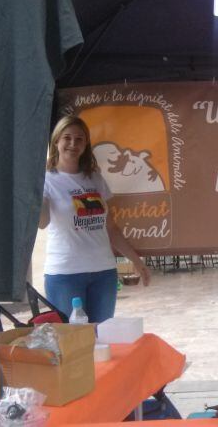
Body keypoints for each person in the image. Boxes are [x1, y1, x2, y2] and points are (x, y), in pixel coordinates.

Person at [39, 116, 151, 323]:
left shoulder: (95, 179)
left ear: (85, 144)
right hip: (65, 274)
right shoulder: (45, 180)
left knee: (102, 338)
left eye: (79, 139)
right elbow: (42, 222)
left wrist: (136, 260)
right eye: (67, 138)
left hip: (104, 272)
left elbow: (111, 228)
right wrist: (33, 192)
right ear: (56, 141)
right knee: (72, 344)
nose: (73, 144)